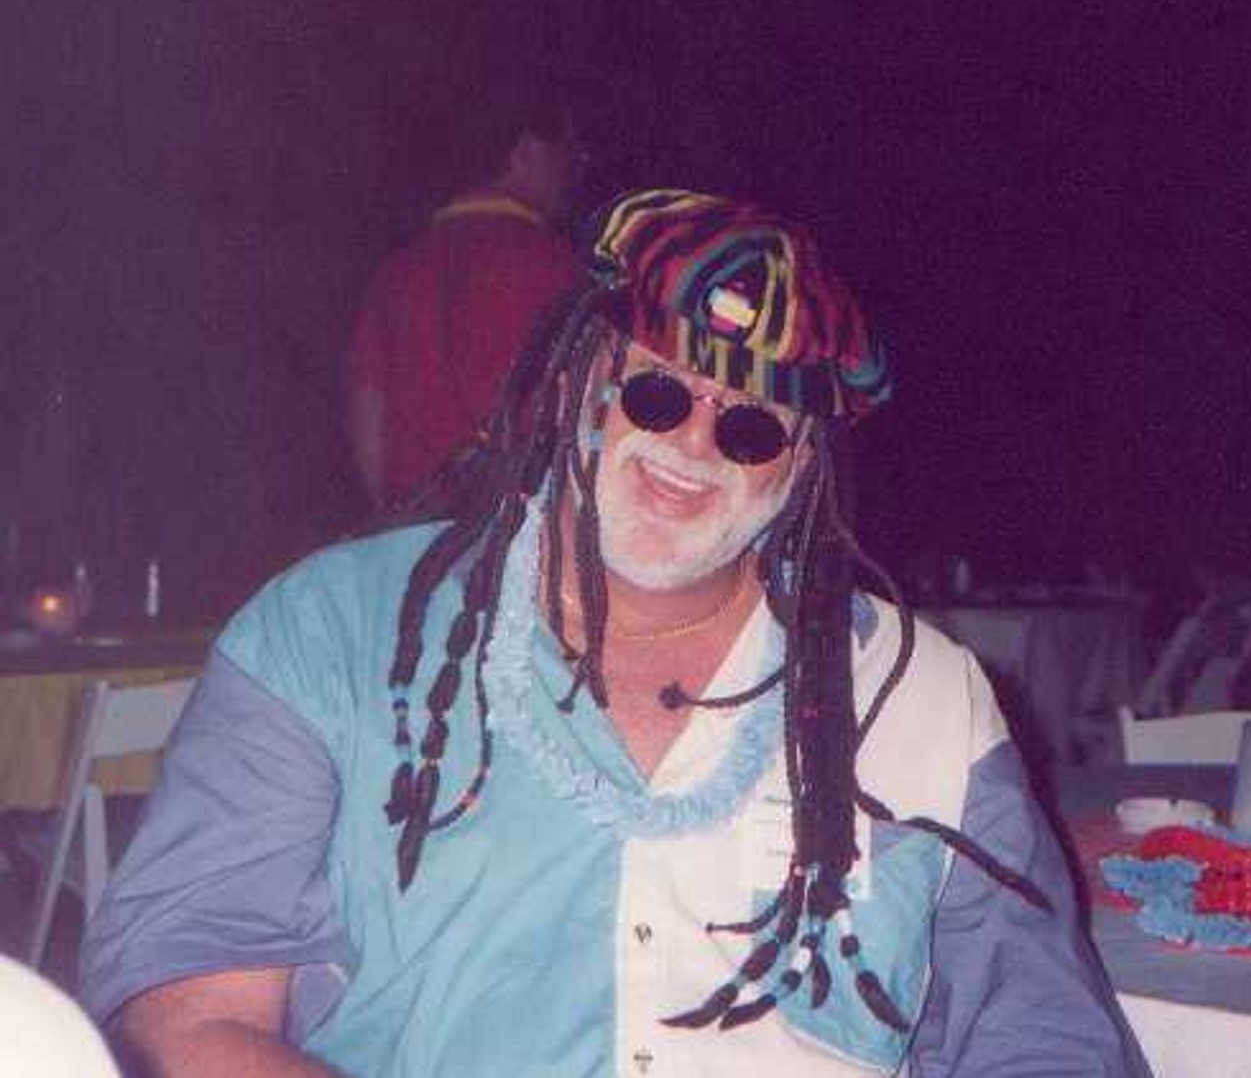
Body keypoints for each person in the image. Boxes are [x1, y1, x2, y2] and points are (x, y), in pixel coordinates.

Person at [82, 189, 1150, 1076]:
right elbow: (193, 1009)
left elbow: (1041, 1032)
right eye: (656, 394)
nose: (692, 445)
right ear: (577, 380)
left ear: (798, 467)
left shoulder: (923, 702)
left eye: (748, 425)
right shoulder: (326, 636)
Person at [346, 78, 586, 510]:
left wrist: (396, 518)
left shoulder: (400, 267)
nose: (575, 170)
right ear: (527, 150)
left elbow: (369, 419)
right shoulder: (554, 263)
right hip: (510, 526)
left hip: (414, 528)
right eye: (569, 152)